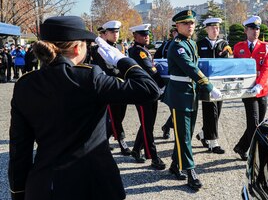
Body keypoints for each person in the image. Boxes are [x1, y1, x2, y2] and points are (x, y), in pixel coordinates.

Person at [8, 15, 160, 200]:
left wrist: (18, 192)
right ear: (76, 47)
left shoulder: (25, 84)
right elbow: (150, 90)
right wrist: (122, 60)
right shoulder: (90, 77)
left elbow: (19, 149)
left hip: (45, 185)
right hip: (94, 183)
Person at [163, 10, 222, 190]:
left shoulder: (191, 44)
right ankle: (190, 171)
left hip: (191, 93)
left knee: (185, 134)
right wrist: (209, 86)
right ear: (178, 26)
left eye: (192, 23)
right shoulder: (177, 45)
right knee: (184, 135)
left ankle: (175, 165)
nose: (190, 26)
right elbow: (190, 68)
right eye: (186, 23)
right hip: (180, 95)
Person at [232, 15, 268, 161]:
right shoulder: (238, 48)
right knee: (254, 123)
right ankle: (255, 154)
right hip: (247, 91)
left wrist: (259, 85)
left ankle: (241, 147)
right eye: (252, 28)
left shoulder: (267, 47)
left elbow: (267, 68)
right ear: (246, 30)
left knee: (258, 122)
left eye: (257, 28)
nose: (255, 31)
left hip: (261, 90)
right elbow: (236, 68)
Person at [127, 23, 166, 169]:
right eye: (143, 34)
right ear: (135, 36)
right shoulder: (137, 51)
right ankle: (153, 157)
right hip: (143, 93)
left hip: (150, 92)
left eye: (148, 34)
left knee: (147, 124)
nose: (147, 37)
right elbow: (150, 70)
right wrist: (163, 84)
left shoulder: (143, 50)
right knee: (147, 126)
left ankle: (136, 150)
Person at [90, 21, 131, 156]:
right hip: (109, 85)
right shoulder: (99, 49)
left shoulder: (120, 46)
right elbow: (109, 69)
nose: (115, 34)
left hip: (122, 85)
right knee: (113, 116)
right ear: (105, 34)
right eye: (112, 32)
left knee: (121, 114)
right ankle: (121, 141)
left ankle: (104, 141)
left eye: (117, 31)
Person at [195, 17, 232, 154]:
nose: (215, 30)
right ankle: (213, 143)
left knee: (217, 112)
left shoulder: (224, 44)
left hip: (220, 83)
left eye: (217, 28)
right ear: (207, 29)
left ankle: (204, 134)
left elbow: (227, 64)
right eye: (212, 28)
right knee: (210, 111)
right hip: (206, 83)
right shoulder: (200, 44)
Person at [154, 26, 178, 139]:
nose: (177, 34)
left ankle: (167, 126)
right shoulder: (167, 45)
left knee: (178, 109)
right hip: (170, 80)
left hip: (183, 80)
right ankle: (170, 130)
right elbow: (157, 59)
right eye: (175, 32)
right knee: (174, 108)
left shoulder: (189, 44)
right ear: (172, 33)